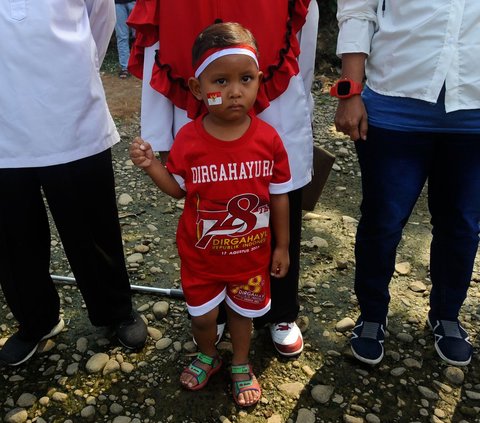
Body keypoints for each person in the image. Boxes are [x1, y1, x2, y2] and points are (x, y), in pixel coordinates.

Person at [126, 0, 319, 357]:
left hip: (267, 52)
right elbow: (155, 40)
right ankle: (211, 310)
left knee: (277, 192)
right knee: (205, 203)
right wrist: (158, 140)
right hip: (194, 57)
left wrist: (300, 96)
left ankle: (281, 309)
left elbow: (301, 33)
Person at [332, 0, 480, 366]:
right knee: (382, 222)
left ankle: (446, 314)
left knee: (462, 225)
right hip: (394, 105)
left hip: (474, 115)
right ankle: (371, 315)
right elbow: (357, 11)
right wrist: (350, 92)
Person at [0, 0, 147, 367]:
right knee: (12, 238)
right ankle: (37, 321)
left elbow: (102, 16)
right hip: (4, 129)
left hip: (72, 115)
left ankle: (115, 310)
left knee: (94, 227)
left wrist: (74, 73)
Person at [114, 0, 136, 78]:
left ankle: (141, 64)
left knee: (139, 35)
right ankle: (125, 67)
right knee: (122, 36)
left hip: (134, 2)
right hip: (117, 3)